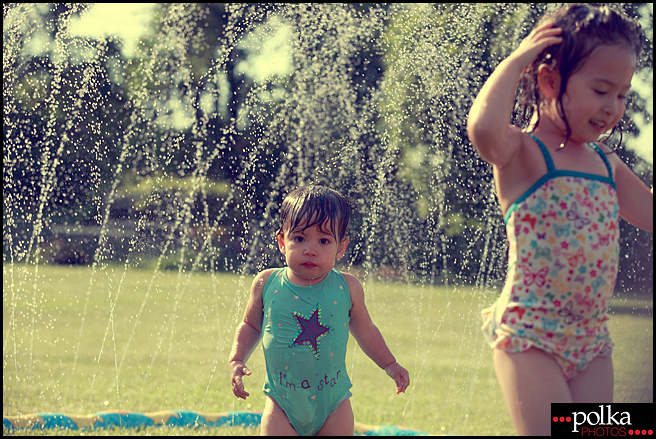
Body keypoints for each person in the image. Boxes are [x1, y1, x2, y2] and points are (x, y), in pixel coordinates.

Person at [467, 4, 653, 436]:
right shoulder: (525, 153)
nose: (613, 107)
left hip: (592, 343)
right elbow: (483, 128)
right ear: (550, 81)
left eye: (622, 95)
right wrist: (518, 60)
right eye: (602, 89)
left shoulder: (607, 164)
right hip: (530, 336)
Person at [229, 185, 410, 436]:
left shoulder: (348, 287)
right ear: (283, 241)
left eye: (324, 240)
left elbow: (366, 330)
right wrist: (237, 359)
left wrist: (390, 364)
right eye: (300, 238)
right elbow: (250, 325)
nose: (310, 249)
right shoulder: (267, 283)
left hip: (333, 405)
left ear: (341, 247)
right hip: (282, 404)